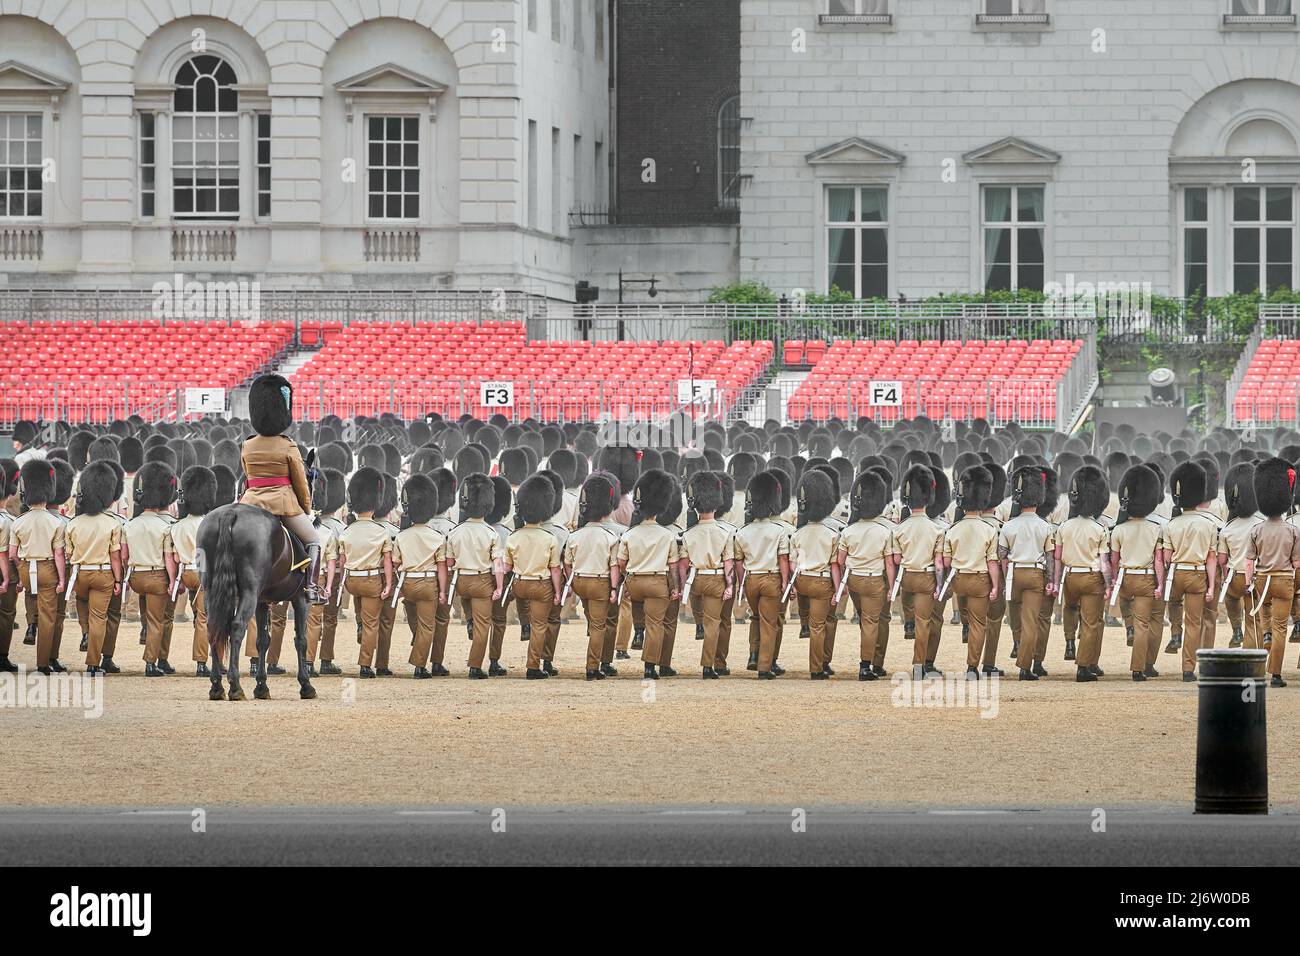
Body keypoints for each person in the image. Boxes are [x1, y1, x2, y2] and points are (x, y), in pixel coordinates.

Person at [238, 374, 325, 604]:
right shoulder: (288, 446)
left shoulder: (247, 445)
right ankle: (312, 588)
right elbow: (300, 483)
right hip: (283, 504)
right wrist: (306, 508)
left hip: (250, 504)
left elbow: (247, 476)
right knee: (314, 540)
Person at [615, 469, 680, 681]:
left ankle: (639, 629)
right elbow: (672, 565)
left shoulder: (629, 534)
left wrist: (629, 577)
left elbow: (621, 562)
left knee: (637, 605)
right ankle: (650, 667)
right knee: (657, 624)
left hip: (634, 581)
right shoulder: (666, 535)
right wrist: (675, 587)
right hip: (657, 581)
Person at [328, 468, 393, 678]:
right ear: (375, 504)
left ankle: (359, 623)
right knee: (372, 622)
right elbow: (387, 561)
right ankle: (365, 664)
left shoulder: (347, 531)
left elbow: (343, 560)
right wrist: (389, 584)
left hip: (352, 581)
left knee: (361, 612)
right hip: (371, 580)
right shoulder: (381, 531)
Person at [1160, 461, 1218, 683]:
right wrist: (1211, 586)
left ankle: (1175, 630)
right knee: (1194, 622)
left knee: (1173, 603)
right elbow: (1211, 558)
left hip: (1177, 573)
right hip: (1198, 574)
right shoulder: (1209, 525)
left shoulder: (1171, 525)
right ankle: (1187, 669)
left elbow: (1166, 558)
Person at [64, 461, 125, 675]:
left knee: (82, 603)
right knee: (99, 617)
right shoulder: (112, 524)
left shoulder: (73, 523)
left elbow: (68, 555)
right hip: (103, 572)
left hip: (79, 572)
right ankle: (92, 663)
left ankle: (85, 631)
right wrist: (118, 580)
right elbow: (115, 556)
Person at [941, 465, 1000, 681]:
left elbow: (946, 561)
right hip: (980, 579)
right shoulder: (989, 529)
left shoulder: (953, 529)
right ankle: (972, 667)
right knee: (979, 624)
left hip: (959, 579)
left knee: (968, 617)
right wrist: (995, 586)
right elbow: (992, 562)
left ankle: (964, 624)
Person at [836, 470, 896, 682]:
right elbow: (889, 563)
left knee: (864, 619)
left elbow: (840, 561)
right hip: (874, 580)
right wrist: (892, 588)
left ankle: (870, 661)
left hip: (854, 580)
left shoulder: (849, 531)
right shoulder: (884, 531)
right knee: (871, 622)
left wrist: (841, 582)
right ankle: (866, 666)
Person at [1106, 465, 1164, 682]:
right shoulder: (1155, 528)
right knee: (1144, 625)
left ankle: (1127, 624)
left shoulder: (1119, 529)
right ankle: (1138, 669)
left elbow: (1114, 560)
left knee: (1127, 607)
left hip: (1124, 576)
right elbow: (1159, 560)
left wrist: (1113, 581)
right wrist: (1160, 585)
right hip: (1146, 578)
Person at [1054, 465, 1112, 683]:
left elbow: (1058, 558)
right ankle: (1084, 666)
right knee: (1091, 623)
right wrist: (1108, 585)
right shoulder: (1099, 529)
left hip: (1070, 576)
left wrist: (1057, 582)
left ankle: (1070, 640)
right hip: (1091, 577)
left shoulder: (1064, 527)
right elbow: (1104, 562)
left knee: (1069, 608)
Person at [1246, 457, 1300, 688]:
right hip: (1285, 579)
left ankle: (1265, 634)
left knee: (1264, 615)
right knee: (1281, 626)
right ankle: (1276, 675)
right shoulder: (1292, 530)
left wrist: (1249, 582)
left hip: (1263, 579)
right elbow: (1297, 563)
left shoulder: (1256, 529)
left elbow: (1249, 561)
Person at [731, 471, 790, 681]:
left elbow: (739, 562)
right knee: (769, 622)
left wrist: (742, 584)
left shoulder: (743, 531)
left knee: (756, 617)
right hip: (771, 578)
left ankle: (753, 655)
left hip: (751, 579)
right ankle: (764, 667)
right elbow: (783, 559)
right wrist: (785, 582)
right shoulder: (779, 530)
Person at [9, 460, 66, 674]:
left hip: (25, 567)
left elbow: (13, 554)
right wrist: (62, 579)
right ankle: (43, 663)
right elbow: (59, 553)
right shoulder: (55, 523)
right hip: (47, 567)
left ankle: (30, 624)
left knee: (31, 595)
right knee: (49, 616)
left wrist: (20, 574)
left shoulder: (19, 521)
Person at [445, 474, 505, 678]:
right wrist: (499, 587)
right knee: (483, 626)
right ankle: (475, 666)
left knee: (469, 605)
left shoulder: (455, 532)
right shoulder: (491, 533)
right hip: (481, 580)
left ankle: (469, 618)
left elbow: (450, 563)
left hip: (461, 580)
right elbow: (497, 564)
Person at [122, 461, 179, 677]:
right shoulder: (166, 527)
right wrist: (173, 581)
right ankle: (151, 663)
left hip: (136, 576)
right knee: (158, 621)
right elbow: (169, 558)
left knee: (148, 616)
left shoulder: (129, 525)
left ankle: (147, 636)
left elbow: (125, 556)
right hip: (157, 576)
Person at [564, 473, 621, 680]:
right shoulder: (610, 537)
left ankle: (595, 657)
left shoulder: (574, 536)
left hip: (579, 580)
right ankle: (592, 667)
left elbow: (567, 563)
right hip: (600, 582)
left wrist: (572, 581)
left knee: (592, 620)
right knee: (599, 626)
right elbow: (614, 566)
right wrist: (614, 589)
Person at [679, 471, 736, 680]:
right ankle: (707, 666)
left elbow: (683, 565)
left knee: (703, 620)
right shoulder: (725, 533)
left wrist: (683, 587)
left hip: (695, 579)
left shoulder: (688, 534)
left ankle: (697, 624)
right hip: (715, 579)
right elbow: (728, 561)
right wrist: (730, 586)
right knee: (714, 623)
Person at [1003, 465, 1057, 681]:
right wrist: (1051, 580)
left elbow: (1002, 555)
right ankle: (1026, 666)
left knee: (1015, 617)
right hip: (1035, 574)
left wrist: (1007, 576)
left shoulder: (1008, 526)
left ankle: (1018, 643)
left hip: (1014, 573)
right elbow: (1050, 556)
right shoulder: (1045, 526)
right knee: (1031, 621)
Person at [393, 474, 449, 680]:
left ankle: (419, 650)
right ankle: (419, 666)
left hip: (407, 582)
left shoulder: (401, 536)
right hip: (428, 583)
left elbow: (396, 563)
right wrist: (442, 591)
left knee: (416, 623)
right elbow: (442, 568)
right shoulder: (437, 537)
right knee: (427, 626)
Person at [892, 464, 944, 679]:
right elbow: (939, 563)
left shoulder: (899, 528)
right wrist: (939, 585)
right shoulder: (936, 529)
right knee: (925, 622)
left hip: (906, 577)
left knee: (913, 618)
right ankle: (918, 665)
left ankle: (908, 622)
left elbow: (896, 559)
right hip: (926, 576)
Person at [165, 466, 217, 677]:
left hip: (185, 573)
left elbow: (175, 557)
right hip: (205, 572)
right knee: (204, 619)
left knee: (198, 616)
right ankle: (201, 663)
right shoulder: (211, 523)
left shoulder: (177, 526)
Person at [789, 470, 841, 680]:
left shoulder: (798, 533)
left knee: (823, 622)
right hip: (822, 580)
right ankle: (818, 667)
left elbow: (793, 564)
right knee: (820, 625)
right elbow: (835, 565)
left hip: (802, 579)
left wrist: (792, 586)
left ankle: (824, 662)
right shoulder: (831, 534)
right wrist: (838, 589)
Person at [1216, 463, 1261, 652]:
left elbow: (1222, 561)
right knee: (1254, 618)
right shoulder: (1261, 525)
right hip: (1256, 578)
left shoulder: (1228, 527)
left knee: (1231, 598)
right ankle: (1251, 652)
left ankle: (1236, 629)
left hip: (1235, 577)